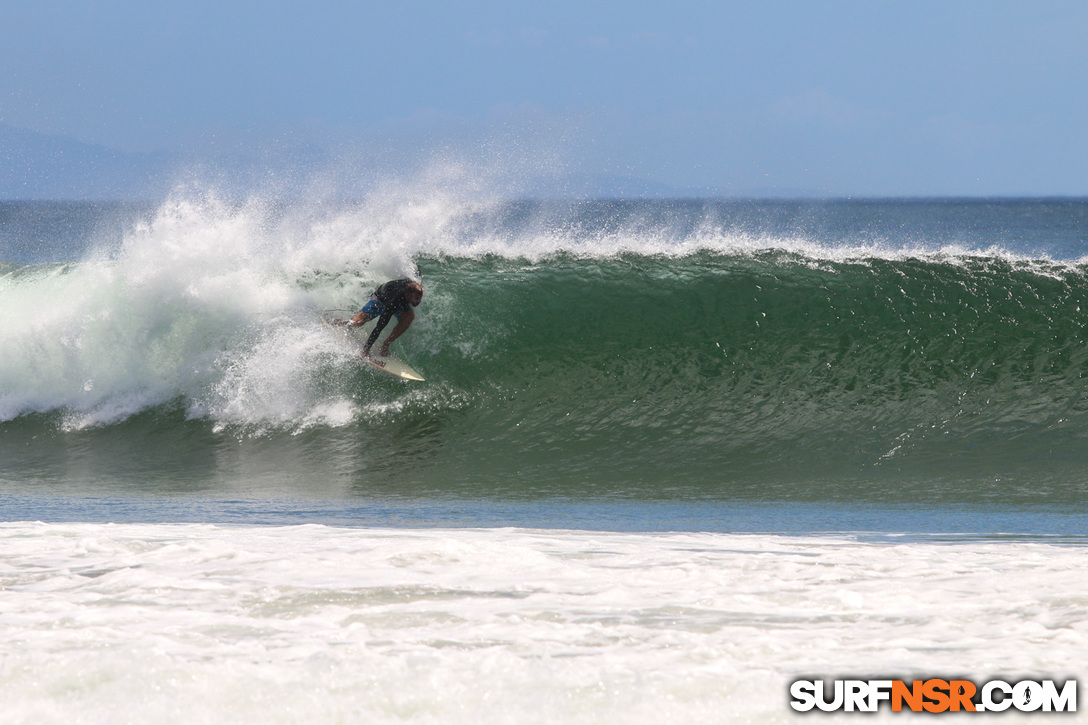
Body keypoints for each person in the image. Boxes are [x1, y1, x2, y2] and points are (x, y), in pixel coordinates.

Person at [334, 279, 424, 358]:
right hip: (380, 301)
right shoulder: (393, 302)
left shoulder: (414, 286)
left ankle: (385, 344)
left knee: (409, 316)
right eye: (416, 298)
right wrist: (366, 349)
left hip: (398, 300)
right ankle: (341, 322)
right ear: (408, 295)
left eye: (420, 298)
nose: (418, 302)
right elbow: (379, 327)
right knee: (357, 323)